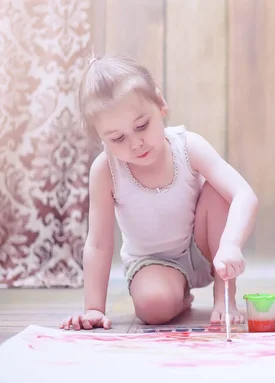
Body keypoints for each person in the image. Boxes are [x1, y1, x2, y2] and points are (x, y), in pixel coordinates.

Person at [60, 55, 258, 330]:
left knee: (218, 190)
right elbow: (98, 244)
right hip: (151, 261)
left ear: (160, 104)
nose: (136, 143)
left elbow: (243, 194)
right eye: (118, 138)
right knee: (153, 306)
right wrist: (93, 308)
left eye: (142, 125)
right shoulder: (105, 170)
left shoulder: (188, 147)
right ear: (100, 137)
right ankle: (177, 296)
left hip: (203, 247)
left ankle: (224, 298)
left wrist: (231, 245)